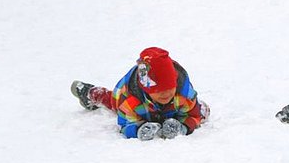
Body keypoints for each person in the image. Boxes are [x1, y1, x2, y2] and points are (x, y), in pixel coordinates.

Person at [70, 47, 210, 140]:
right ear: (146, 89)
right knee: (112, 101)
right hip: (133, 102)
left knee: (201, 111)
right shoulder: (130, 100)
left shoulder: (183, 95)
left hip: (173, 109)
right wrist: (138, 130)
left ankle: (197, 106)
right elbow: (124, 125)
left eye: (169, 88)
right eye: (158, 90)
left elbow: (194, 115)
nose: (166, 94)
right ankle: (90, 93)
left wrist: (183, 127)